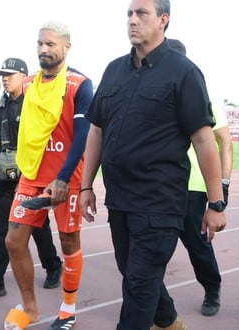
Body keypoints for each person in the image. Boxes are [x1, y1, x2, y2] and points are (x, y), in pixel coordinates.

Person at [79, 1, 226, 328]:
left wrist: (216, 203)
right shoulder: (114, 69)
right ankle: (172, 324)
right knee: (132, 273)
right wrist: (86, 185)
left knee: (138, 286)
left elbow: (204, 140)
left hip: (159, 203)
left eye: (141, 13)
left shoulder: (184, 72)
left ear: (163, 20)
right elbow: (97, 128)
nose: (132, 20)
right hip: (120, 200)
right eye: (129, 14)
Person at [3, 21, 93, 330]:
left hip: (67, 176)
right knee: (14, 240)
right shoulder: (28, 84)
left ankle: (68, 309)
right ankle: (30, 309)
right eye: (40, 44)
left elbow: (82, 137)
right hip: (33, 173)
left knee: (68, 241)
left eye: (50, 44)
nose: (43, 49)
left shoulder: (80, 85)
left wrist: (64, 178)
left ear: (66, 47)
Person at [0, 58, 63, 302]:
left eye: (10, 74)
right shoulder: (2, 107)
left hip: (29, 178)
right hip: (4, 179)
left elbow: (44, 145)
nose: (5, 78)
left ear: (24, 76)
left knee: (38, 228)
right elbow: (2, 146)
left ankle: (52, 265)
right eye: (2, 75)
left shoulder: (33, 104)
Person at [167, 38, 234, 317]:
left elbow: (224, 142)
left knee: (197, 244)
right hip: (159, 183)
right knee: (151, 244)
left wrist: (223, 186)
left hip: (193, 184)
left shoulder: (201, 95)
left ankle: (211, 287)